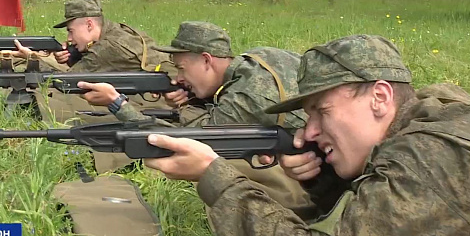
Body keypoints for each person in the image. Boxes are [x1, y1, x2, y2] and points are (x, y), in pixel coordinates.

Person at [137, 34, 470, 236]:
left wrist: (213, 176)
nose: (307, 133)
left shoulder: (434, 159)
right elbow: (393, 211)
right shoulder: (435, 112)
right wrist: (323, 182)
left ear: (380, 98)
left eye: (322, 112)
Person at [77, 21, 317, 215]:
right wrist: (195, 98)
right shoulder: (259, 58)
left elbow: (178, 140)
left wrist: (117, 104)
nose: (177, 78)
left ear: (206, 59)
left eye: (182, 68)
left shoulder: (243, 98)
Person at [11, 0, 177, 172]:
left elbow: (67, 82)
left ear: (89, 24)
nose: (69, 37)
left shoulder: (108, 47)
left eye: (71, 31)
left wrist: (31, 58)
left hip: (168, 97)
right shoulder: (117, 30)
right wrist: (75, 56)